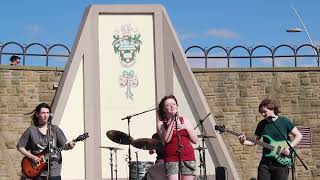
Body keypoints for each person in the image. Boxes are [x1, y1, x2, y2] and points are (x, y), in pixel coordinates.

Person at [239, 99, 303, 180]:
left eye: (264, 111)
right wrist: (243, 141)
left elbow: (299, 135)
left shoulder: (284, 121)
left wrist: (289, 147)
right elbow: (254, 142)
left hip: (281, 163)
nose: (263, 114)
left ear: (272, 109)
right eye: (261, 112)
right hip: (265, 163)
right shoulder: (261, 124)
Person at [17, 103, 76, 180]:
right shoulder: (31, 130)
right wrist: (32, 157)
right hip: (37, 171)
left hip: (54, 171)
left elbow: (64, 146)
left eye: (47, 113)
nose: (46, 115)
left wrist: (70, 146)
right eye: (43, 113)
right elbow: (20, 146)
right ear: (38, 114)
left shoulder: (55, 130)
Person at [157, 95, 198, 180]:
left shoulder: (185, 120)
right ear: (164, 109)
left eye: (173, 104)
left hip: (188, 156)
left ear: (177, 106)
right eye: (168, 105)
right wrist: (173, 119)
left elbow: (195, 140)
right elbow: (166, 140)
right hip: (171, 157)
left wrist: (186, 127)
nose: (172, 106)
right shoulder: (161, 124)